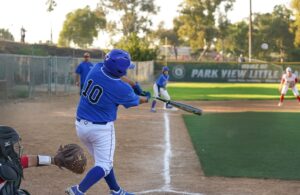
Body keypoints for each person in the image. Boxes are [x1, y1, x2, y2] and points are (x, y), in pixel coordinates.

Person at [65, 49, 151, 195]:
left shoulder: (96, 68)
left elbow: (119, 76)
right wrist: (146, 97)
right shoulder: (120, 89)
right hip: (100, 130)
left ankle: (116, 190)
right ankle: (78, 190)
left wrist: (133, 84)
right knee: (104, 164)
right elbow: (137, 101)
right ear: (119, 69)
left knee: (103, 161)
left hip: (81, 126)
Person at [0, 126, 56, 195]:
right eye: (13, 145)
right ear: (5, 148)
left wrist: (54, 160)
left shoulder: (9, 162)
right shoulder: (3, 168)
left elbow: (29, 160)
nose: (18, 147)